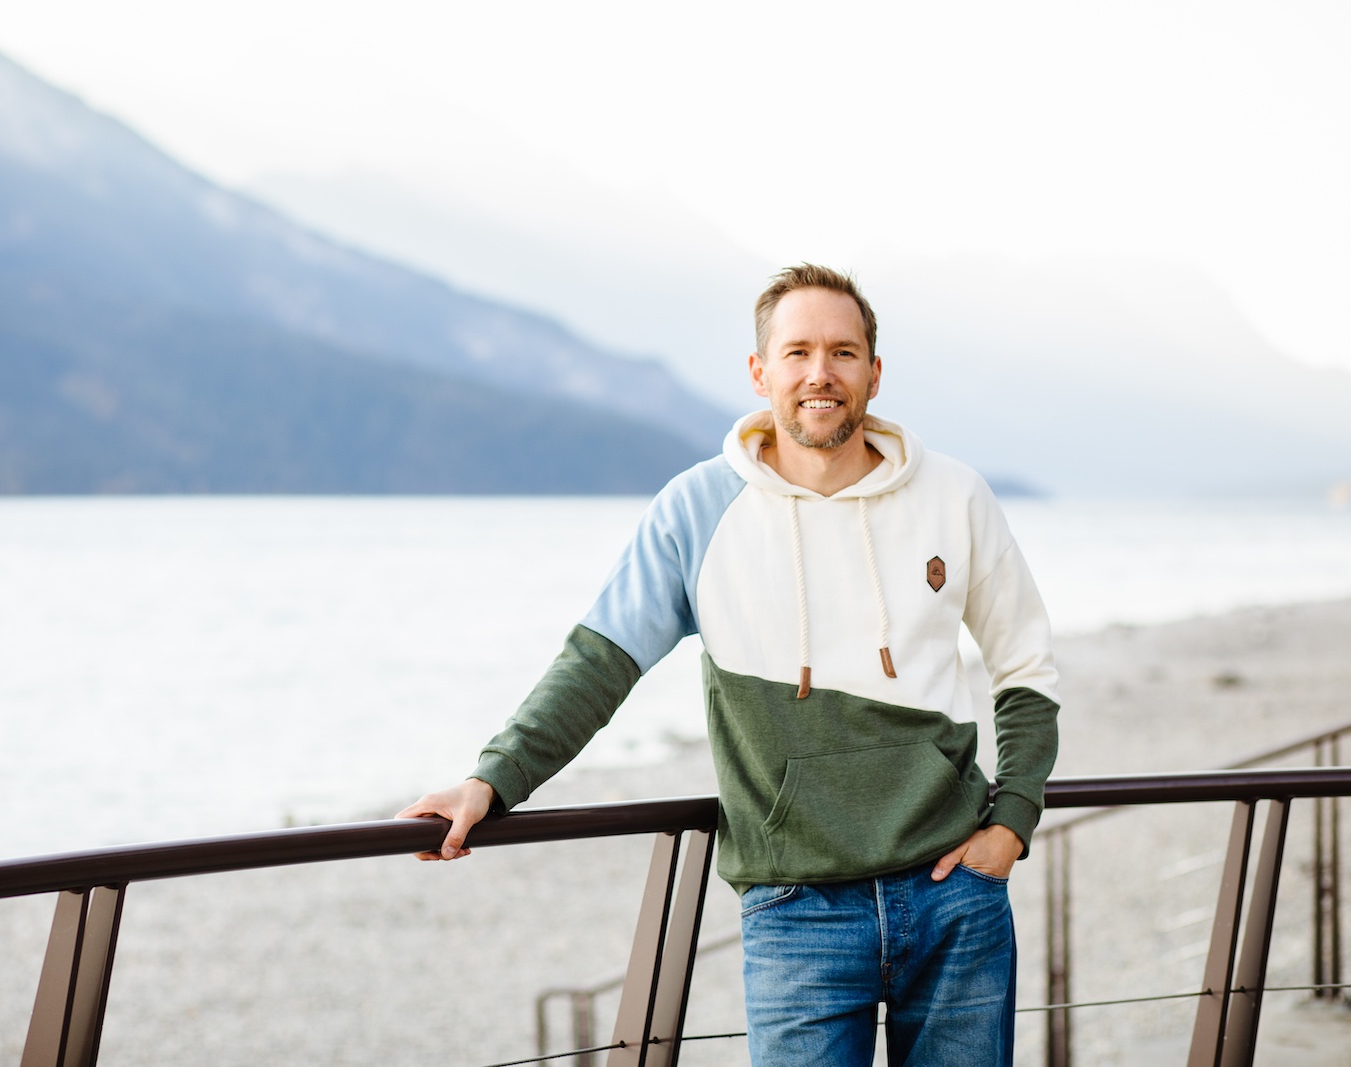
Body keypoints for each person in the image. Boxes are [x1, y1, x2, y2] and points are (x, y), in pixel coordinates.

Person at [398, 264, 1060, 1066]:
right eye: (798, 352)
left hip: (955, 894)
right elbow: (600, 663)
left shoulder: (954, 495)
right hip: (796, 912)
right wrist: (492, 778)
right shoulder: (696, 510)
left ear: (874, 371)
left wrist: (1011, 821)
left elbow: (1025, 662)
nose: (820, 373)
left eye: (843, 352)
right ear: (760, 371)